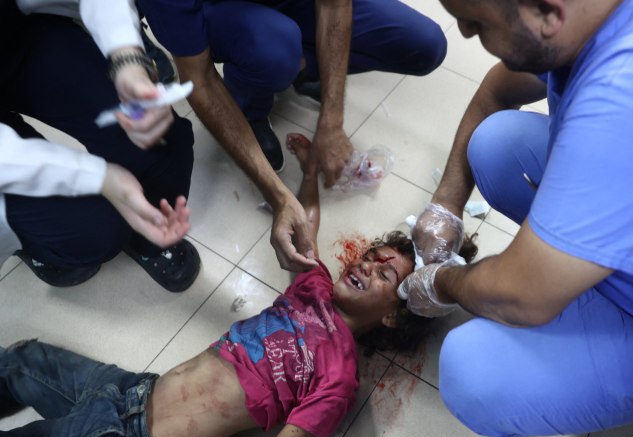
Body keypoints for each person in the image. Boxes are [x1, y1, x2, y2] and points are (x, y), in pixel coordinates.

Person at [0, 133, 477, 437]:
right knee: (22, 360)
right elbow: (305, 224)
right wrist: (309, 173)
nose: (365, 264)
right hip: (133, 390)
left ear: (395, 315)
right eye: (370, 255)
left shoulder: (339, 377)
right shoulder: (312, 287)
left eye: (384, 273)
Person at [399, 0, 633, 437]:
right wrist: (448, 202)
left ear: (548, 12)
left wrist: (442, 281)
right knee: (496, 144)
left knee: (474, 373)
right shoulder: (596, 15)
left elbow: (520, 296)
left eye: (476, 24)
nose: (468, 36)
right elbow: (496, 91)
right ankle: (585, 277)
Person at [137, 0, 447, 271]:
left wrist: (332, 120)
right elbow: (199, 78)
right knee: (274, 48)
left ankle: (301, 66)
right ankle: (251, 104)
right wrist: (279, 196)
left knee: (425, 44)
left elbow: (335, 4)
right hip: (218, 9)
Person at [1, 0, 199, 291]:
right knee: (91, 231)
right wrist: (97, 176)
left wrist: (127, 59)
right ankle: (35, 246)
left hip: (15, 37)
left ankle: (147, 232)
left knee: (161, 142)